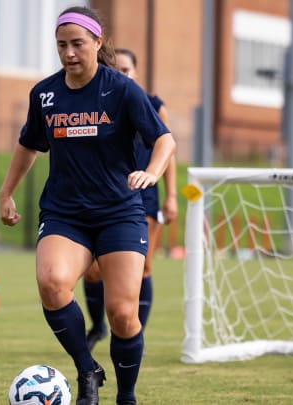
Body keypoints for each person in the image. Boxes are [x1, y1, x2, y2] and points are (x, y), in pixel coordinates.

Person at [0, 6, 175, 405]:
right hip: (66, 213)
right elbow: (29, 144)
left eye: (78, 43)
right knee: (52, 283)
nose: (69, 53)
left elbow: (165, 140)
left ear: (98, 42)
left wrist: (152, 172)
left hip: (119, 213)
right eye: (62, 45)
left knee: (122, 314)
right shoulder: (44, 93)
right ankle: (86, 369)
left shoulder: (123, 90)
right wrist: (6, 192)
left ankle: (126, 396)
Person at [83, 48, 178, 351]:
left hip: (144, 192)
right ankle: (97, 326)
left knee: (145, 265)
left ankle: (136, 333)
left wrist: (172, 195)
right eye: (117, 70)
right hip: (105, 193)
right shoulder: (97, 102)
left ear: (136, 72)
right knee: (93, 269)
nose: (122, 75)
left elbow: (168, 150)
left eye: (127, 70)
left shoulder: (151, 105)